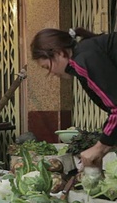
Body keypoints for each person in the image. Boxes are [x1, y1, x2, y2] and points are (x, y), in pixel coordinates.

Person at [31, 27, 117, 167]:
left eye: (47, 67)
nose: (51, 73)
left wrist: (100, 147)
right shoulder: (87, 51)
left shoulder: (84, 58)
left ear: (59, 53)